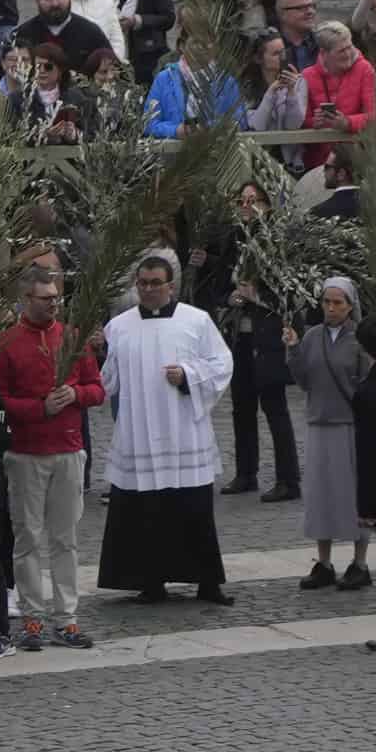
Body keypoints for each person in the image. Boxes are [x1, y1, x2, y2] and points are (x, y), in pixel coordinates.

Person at [91, 251, 237, 606]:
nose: (149, 290)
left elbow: (222, 363)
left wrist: (188, 374)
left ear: (171, 286)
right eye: (143, 283)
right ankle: (150, 582)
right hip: (139, 432)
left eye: (156, 283)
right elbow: (106, 380)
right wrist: (94, 354)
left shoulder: (197, 320)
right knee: (145, 512)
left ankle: (207, 583)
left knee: (193, 510)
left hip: (183, 429)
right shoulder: (120, 326)